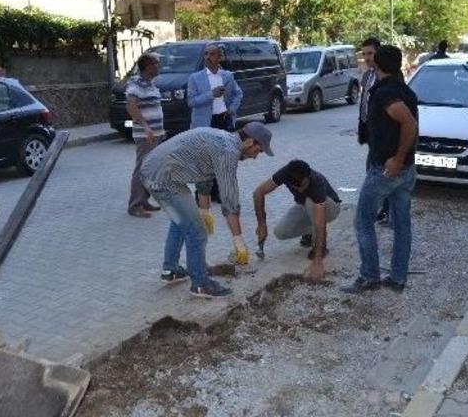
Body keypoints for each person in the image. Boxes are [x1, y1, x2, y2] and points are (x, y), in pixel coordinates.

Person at [140, 122, 273, 298]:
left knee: (181, 221)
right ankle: (200, 284)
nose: (256, 156)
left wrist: (205, 210)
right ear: (249, 142)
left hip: (153, 170)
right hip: (162, 179)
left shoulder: (222, 139)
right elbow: (229, 200)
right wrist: (239, 241)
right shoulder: (228, 152)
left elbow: (204, 177)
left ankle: (170, 271)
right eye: (258, 150)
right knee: (196, 232)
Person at [341, 45, 419, 294]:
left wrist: (397, 158)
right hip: (405, 170)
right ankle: (397, 278)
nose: (367, 59)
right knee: (402, 224)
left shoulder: (386, 93)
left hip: (388, 171)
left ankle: (370, 276)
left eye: (371, 57)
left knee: (363, 220)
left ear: (379, 64)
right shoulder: (404, 89)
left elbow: (409, 123)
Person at [253, 160, 342, 281]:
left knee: (312, 204)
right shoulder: (285, 173)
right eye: (296, 187)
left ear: (308, 176)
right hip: (305, 206)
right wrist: (262, 224)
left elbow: (319, 224)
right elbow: (258, 192)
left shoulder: (317, 182)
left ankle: (320, 247)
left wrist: (318, 261)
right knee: (280, 232)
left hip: (330, 207)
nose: (300, 190)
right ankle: (310, 233)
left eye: (303, 185)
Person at [187, 43, 244, 211]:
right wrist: (211, 94)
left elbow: (238, 94)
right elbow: (191, 102)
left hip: (223, 121)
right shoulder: (195, 78)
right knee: (204, 159)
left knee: (222, 158)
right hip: (204, 123)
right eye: (205, 54)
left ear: (219, 57)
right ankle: (201, 194)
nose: (207, 57)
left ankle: (219, 193)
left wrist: (232, 109)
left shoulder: (227, 76)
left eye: (211, 54)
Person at [125, 53, 165, 218]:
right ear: (148, 66)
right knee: (141, 168)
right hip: (145, 134)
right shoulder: (136, 84)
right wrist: (146, 127)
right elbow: (130, 106)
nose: (159, 66)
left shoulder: (150, 83)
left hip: (156, 133)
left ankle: (144, 200)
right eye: (156, 64)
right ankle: (135, 205)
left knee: (149, 168)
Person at [357, 37, 391, 224]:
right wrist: (362, 128)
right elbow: (364, 104)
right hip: (371, 132)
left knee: (378, 172)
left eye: (370, 53)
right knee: (374, 170)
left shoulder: (385, 75)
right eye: (364, 54)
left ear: (379, 53)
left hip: (382, 135)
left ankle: (386, 210)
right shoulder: (368, 75)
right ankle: (383, 208)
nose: (367, 57)